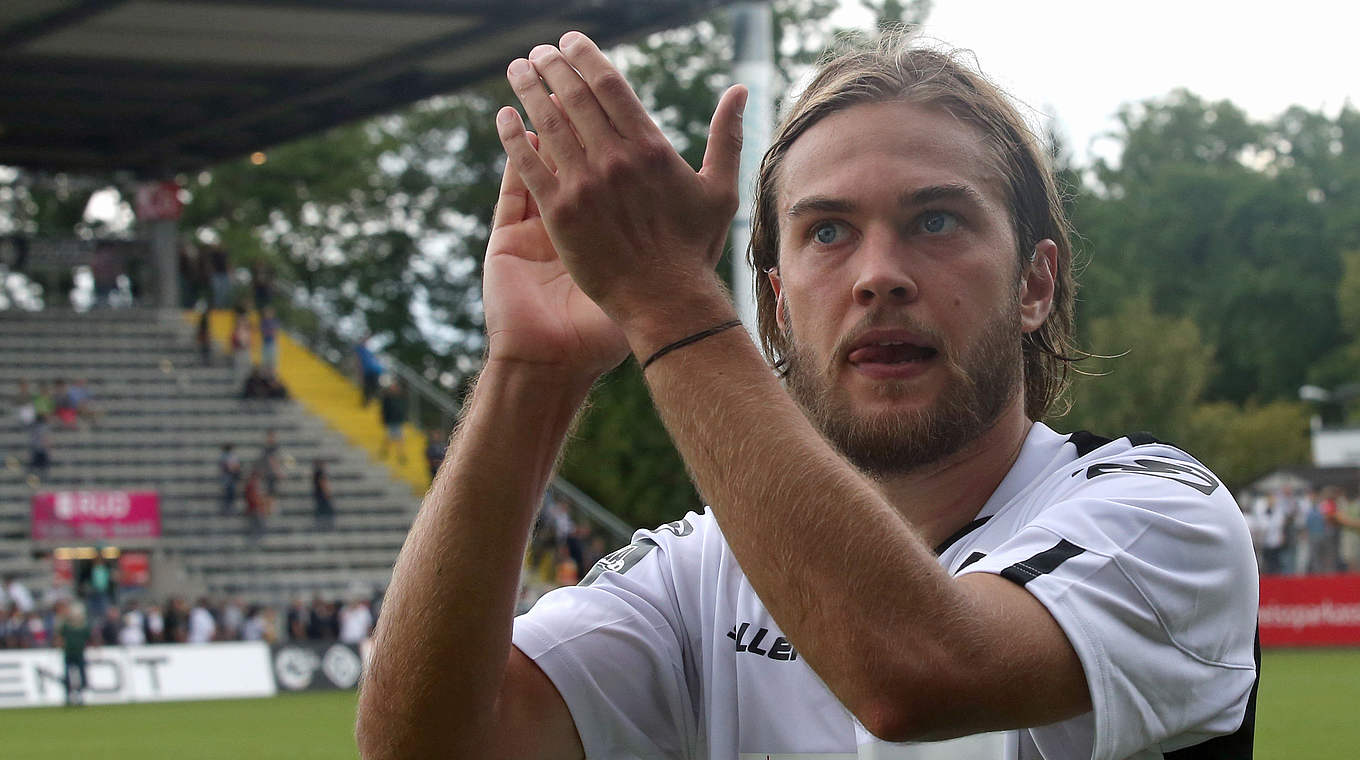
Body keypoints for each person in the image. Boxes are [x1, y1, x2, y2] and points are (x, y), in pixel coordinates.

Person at [356, 31, 1258, 760]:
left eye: (935, 220)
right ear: (778, 309)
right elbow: (430, 748)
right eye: (828, 231)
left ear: (1036, 284)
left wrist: (664, 299)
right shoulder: (702, 570)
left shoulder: (1158, 513)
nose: (879, 276)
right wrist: (534, 373)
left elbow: (916, 672)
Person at [54, 601, 91, 706]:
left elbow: (89, 638)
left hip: (79, 654)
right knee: (68, 676)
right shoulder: (66, 626)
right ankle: (69, 696)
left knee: (81, 676)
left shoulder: (83, 626)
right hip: (69, 653)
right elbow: (59, 637)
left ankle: (80, 696)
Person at [378, 381, 409, 465]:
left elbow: (402, 410)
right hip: (391, 421)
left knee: (400, 439)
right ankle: (385, 451)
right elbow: (384, 410)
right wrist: (384, 420)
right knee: (389, 437)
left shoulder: (400, 398)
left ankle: (400, 454)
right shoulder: (387, 399)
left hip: (398, 421)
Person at [355, 337, 385, 407]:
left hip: (375, 371)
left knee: (373, 387)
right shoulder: (359, 349)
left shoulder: (369, 351)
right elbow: (358, 362)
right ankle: (366, 401)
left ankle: (369, 400)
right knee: (369, 387)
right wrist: (360, 373)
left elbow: (376, 360)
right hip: (368, 371)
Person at [312, 459, 335, 530]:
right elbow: (322, 483)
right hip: (322, 496)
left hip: (318, 496)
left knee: (321, 511)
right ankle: (326, 527)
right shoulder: (320, 473)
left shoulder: (315, 473)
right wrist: (327, 492)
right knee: (326, 511)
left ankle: (322, 526)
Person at [218, 443, 241, 513]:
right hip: (227, 477)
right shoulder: (224, 456)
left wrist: (234, 469)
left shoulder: (233, 456)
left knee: (232, 491)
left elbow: (236, 466)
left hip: (232, 476)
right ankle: (227, 507)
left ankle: (230, 506)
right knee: (228, 491)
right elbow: (227, 466)